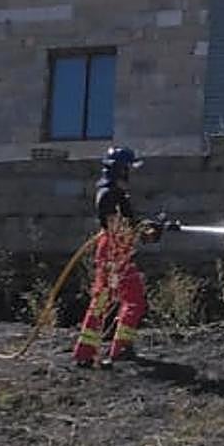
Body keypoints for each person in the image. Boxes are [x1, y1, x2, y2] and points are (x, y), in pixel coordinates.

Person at [72, 146, 169, 368]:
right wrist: (145, 230)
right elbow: (118, 229)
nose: (131, 173)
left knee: (109, 302)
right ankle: (115, 349)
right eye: (128, 168)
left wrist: (156, 230)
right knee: (126, 300)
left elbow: (130, 226)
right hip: (113, 255)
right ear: (119, 170)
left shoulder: (116, 193)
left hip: (118, 252)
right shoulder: (107, 195)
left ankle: (90, 352)